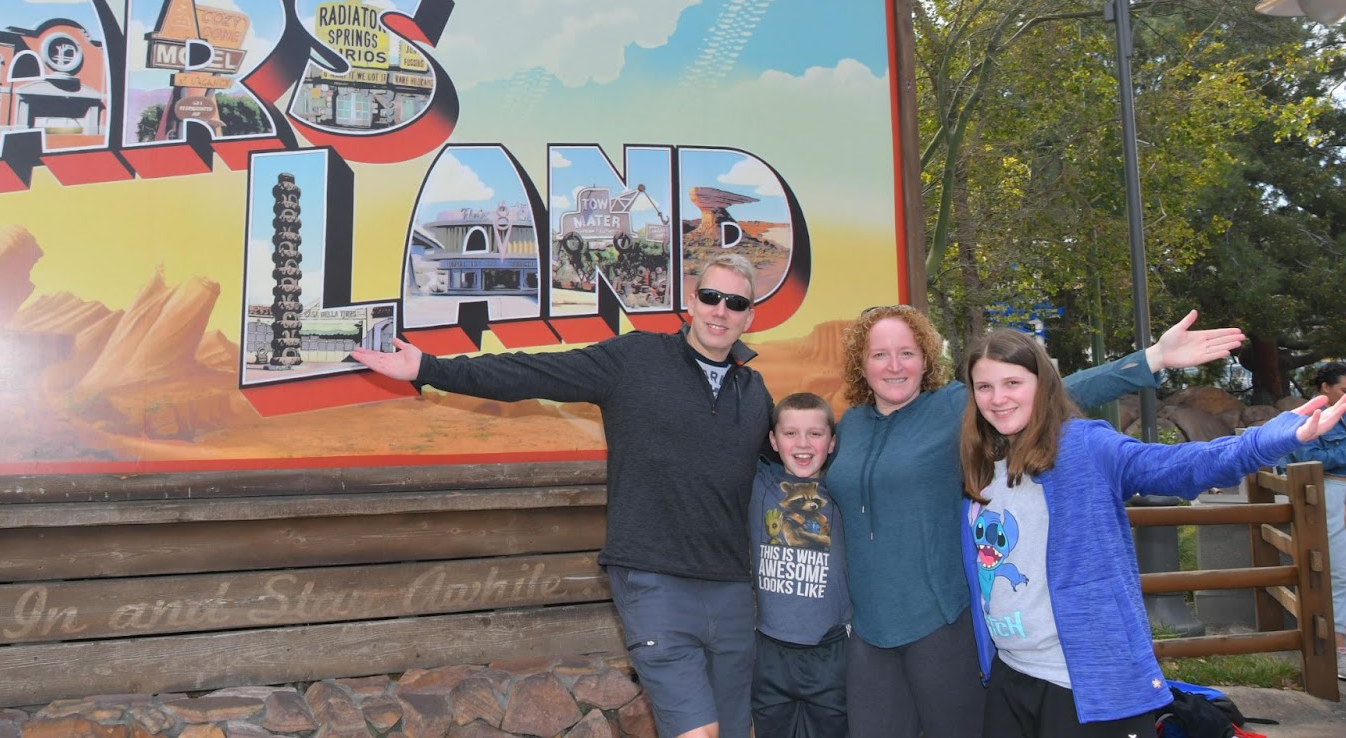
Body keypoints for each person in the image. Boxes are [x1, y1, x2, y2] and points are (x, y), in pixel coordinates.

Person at [352, 253, 771, 738]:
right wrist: (429, 367)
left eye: (735, 302)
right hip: (655, 579)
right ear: (691, 302)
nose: (721, 310)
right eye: (711, 297)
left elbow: (794, 457)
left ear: (748, 317)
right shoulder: (635, 359)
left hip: (731, 588)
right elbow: (534, 374)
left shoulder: (755, 391)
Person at [824, 305, 1245, 738]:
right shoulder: (851, 425)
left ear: (926, 357)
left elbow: (1046, 391)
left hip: (941, 618)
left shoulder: (954, 406)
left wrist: (1151, 358)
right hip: (870, 627)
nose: (894, 366)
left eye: (907, 353)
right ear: (861, 362)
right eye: (880, 355)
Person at [958, 328, 1346, 736]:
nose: (998, 398)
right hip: (1011, 674)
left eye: (1012, 383)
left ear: (1042, 385)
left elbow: (1180, 466)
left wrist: (1271, 438)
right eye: (984, 386)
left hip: (1085, 682)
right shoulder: (983, 461)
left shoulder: (1084, 445)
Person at [749, 392, 850, 738]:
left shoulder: (845, 489)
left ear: (833, 442)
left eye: (815, 434)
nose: (803, 444)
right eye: (790, 433)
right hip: (770, 651)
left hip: (831, 651)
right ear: (773, 440)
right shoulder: (758, 484)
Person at [1285, 360, 1346, 680]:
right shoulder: (1310, 417)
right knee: (1341, 569)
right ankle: (1337, 646)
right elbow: (1306, 457)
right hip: (1331, 490)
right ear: (1325, 389)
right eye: (1345, 390)